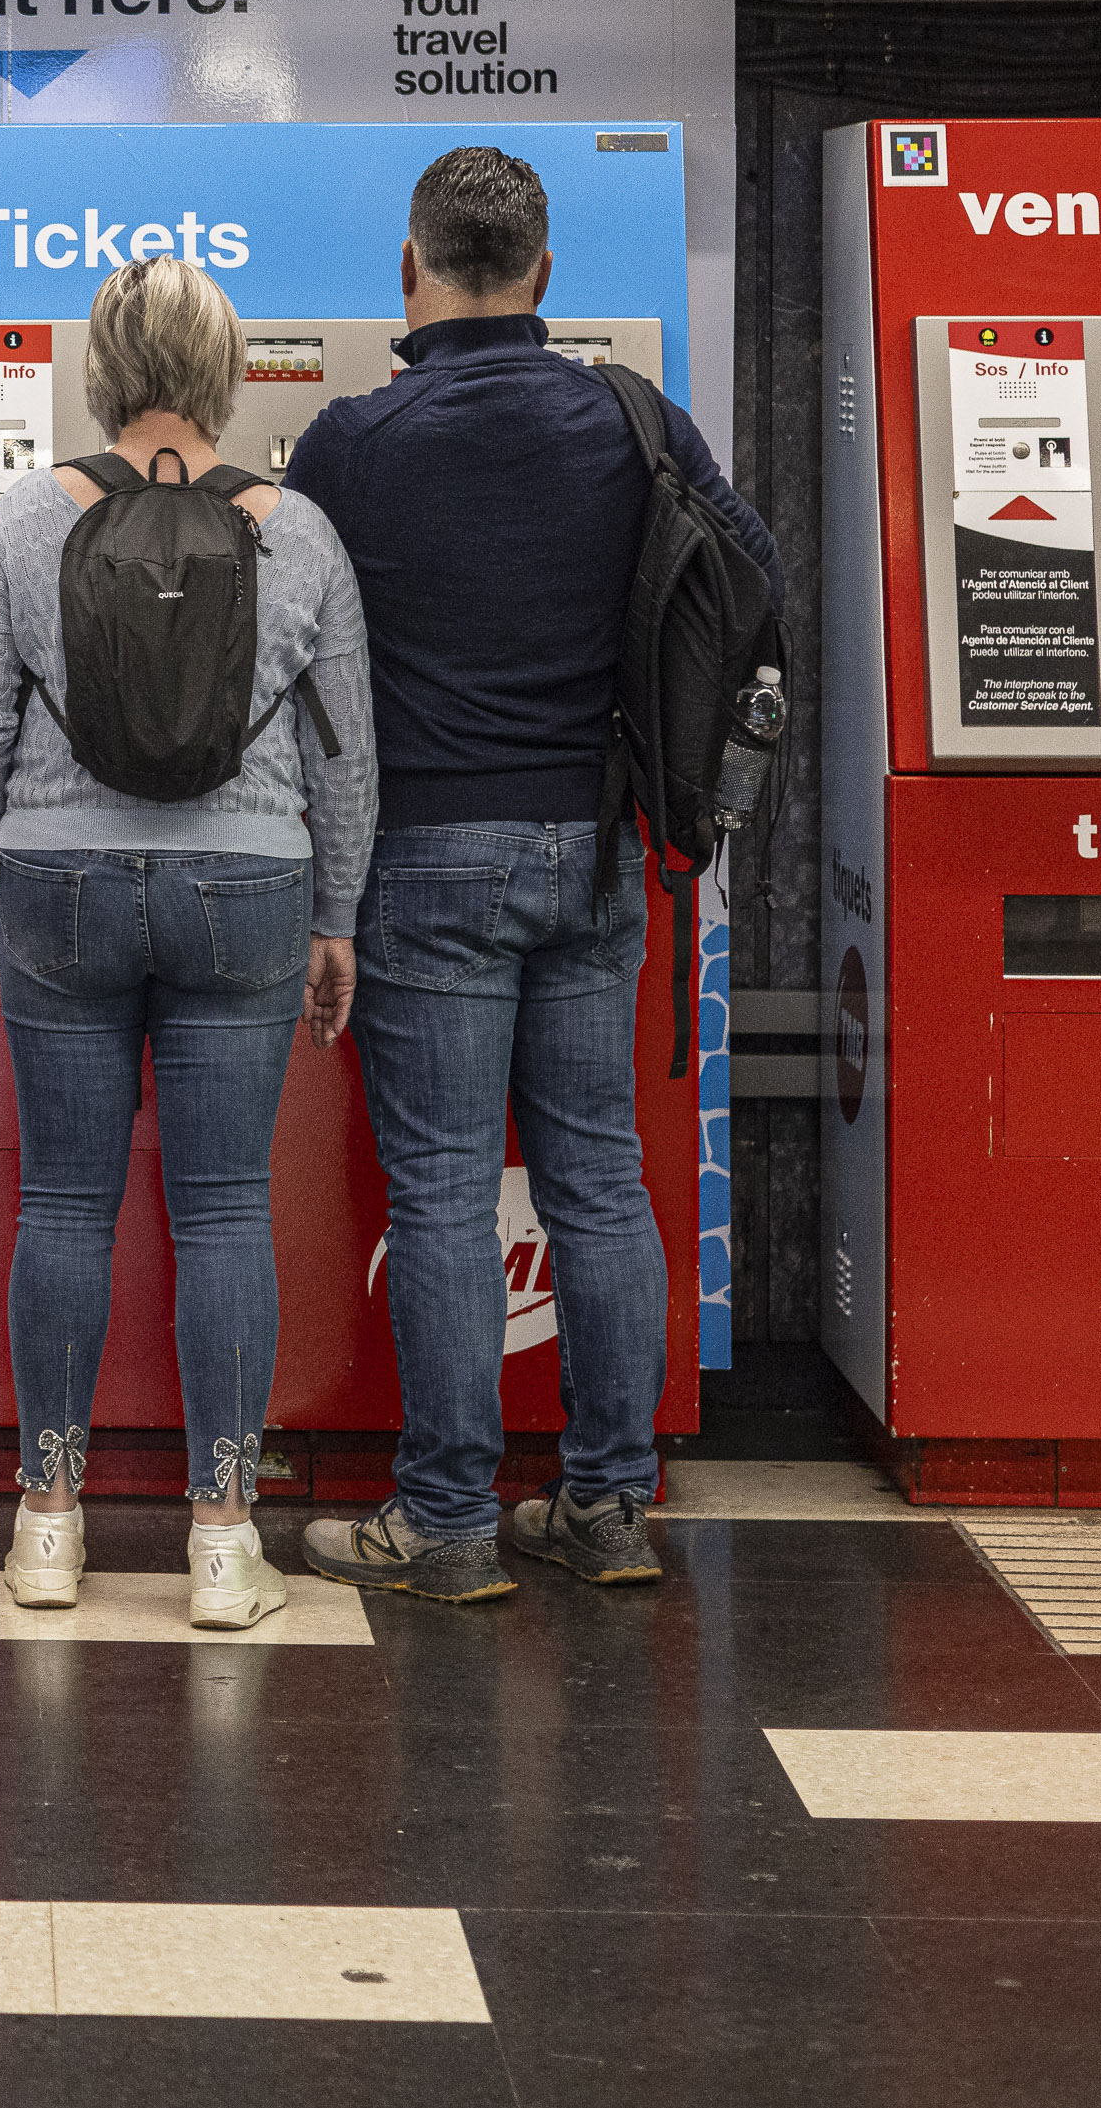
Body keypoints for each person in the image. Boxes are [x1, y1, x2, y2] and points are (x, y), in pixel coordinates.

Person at [284, 147, 781, 1605]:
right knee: (600, 1180)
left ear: (410, 269)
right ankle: (610, 1505)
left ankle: (443, 1522)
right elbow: (745, 577)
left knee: (442, 1189)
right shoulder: (634, 419)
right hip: (597, 846)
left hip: (424, 854)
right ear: (547, 276)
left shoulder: (349, 443)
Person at [0, 257, 375, 1631]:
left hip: (58, 883)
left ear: (100, 368)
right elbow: (346, 755)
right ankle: (226, 1540)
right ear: (228, 376)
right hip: (247, 886)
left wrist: (28, 833)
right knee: (224, 1204)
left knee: (64, 1202)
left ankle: (50, 1522)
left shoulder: (17, 516)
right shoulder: (297, 531)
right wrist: (335, 915)